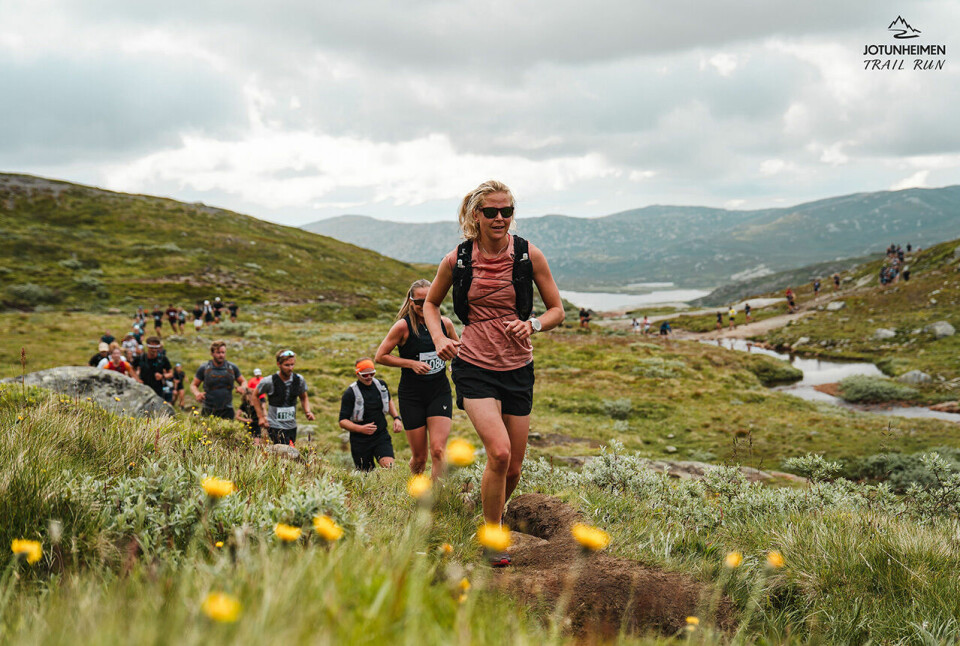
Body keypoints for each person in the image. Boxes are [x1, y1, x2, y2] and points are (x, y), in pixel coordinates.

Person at [423, 179, 564, 568]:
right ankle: (491, 538)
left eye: (507, 211)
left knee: (513, 467)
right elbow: (430, 305)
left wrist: (532, 325)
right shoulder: (457, 260)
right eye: (491, 212)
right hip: (473, 366)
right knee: (498, 453)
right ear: (475, 215)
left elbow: (557, 310)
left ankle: (491, 513)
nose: (500, 218)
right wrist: (439, 339)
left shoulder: (527, 255)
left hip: (518, 367)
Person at [375, 279, 459, 478]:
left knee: (438, 450)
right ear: (410, 301)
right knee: (419, 458)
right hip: (412, 396)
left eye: (428, 300)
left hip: (439, 392)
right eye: (418, 301)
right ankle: (416, 488)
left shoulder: (444, 324)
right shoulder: (402, 327)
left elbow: (457, 349)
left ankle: (436, 495)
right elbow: (380, 356)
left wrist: (455, 365)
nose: (422, 306)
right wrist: (411, 363)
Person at [339, 358, 402, 471]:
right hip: (360, 441)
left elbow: (389, 400)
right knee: (366, 474)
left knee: (390, 468)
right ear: (357, 374)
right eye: (365, 375)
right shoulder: (350, 393)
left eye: (371, 374)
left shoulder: (381, 385)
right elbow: (342, 421)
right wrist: (361, 428)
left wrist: (396, 418)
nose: (369, 377)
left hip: (381, 435)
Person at [254, 349, 315, 445]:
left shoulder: (299, 380)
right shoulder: (269, 381)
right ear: (279, 364)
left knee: (289, 453)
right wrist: (260, 417)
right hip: (274, 426)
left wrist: (307, 411)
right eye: (287, 365)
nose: (290, 368)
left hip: (291, 426)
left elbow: (304, 397)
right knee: (282, 453)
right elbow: (255, 395)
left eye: (292, 364)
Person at [191, 340, 244, 419]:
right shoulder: (205, 368)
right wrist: (197, 393)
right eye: (218, 352)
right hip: (208, 408)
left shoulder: (231, 368)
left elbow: (243, 381)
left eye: (223, 352)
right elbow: (193, 385)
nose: (221, 355)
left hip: (227, 409)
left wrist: (242, 387)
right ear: (212, 353)